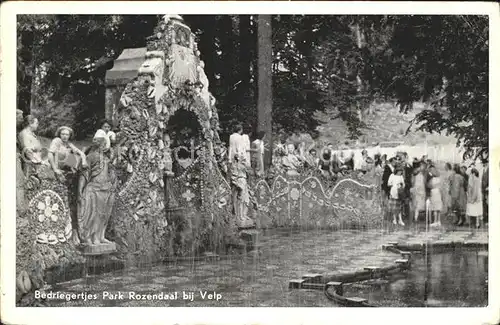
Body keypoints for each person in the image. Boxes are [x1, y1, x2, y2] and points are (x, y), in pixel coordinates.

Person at [77, 136, 117, 245]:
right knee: (92, 214)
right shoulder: (90, 157)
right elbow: (84, 175)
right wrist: (80, 190)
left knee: (103, 214)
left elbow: (111, 174)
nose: (103, 147)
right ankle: (89, 237)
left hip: (105, 189)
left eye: (104, 145)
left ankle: (100, 236)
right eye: (102, 145)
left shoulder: (106, 159)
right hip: (93, 189)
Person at [230, 153, 253, 228]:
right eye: (240, 158)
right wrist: (237, 184)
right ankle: (240, 216)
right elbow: (233, 176)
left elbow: (250, 173)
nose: (242, 159)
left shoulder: (243, 166)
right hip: (240, 181)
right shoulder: (235, 166)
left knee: (247, 200)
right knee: (241, 200)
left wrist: (246, 166)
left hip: (244, 182)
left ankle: (244, 214)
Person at [481, 159, 488, 226]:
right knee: (484, 204)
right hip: (483, 190)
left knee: (487, 204)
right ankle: (485, 218)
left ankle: (487, 219)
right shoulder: (484, 170)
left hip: (488, 190)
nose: (483, 164)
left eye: (484, 163)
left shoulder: (490, 170)